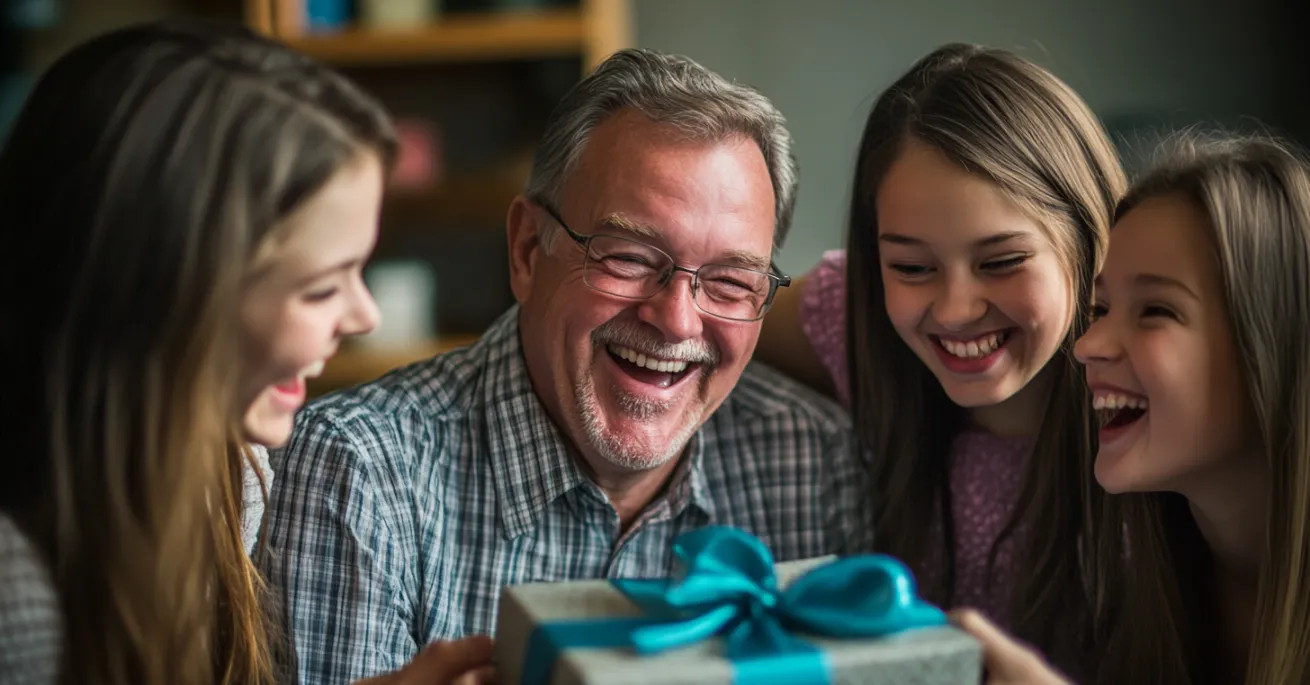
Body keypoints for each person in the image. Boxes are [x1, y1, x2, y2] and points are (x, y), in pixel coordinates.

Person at [258, 47, 873, 683]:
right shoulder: (359, 471)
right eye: (629, 257)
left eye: (730, 282)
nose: (679, 320)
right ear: (527, 250)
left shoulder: (816, 460)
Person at [0, 21, 490, 685]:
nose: (364, 315)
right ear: (161, 295)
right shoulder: (17, 596)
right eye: (321, 287)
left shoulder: (229, 479)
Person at [755, 43, 1127, 672]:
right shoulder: (856, 321)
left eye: (1002, 261)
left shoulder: (1153, 413)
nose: (954, 310)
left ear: (1090, 239)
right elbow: (710, 326)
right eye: (912, 267)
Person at [963, 134, 1310, 684]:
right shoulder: (1144, 589)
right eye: (1101, 308)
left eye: (1155, 310)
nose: (1087, 345)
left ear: (1276, 344)